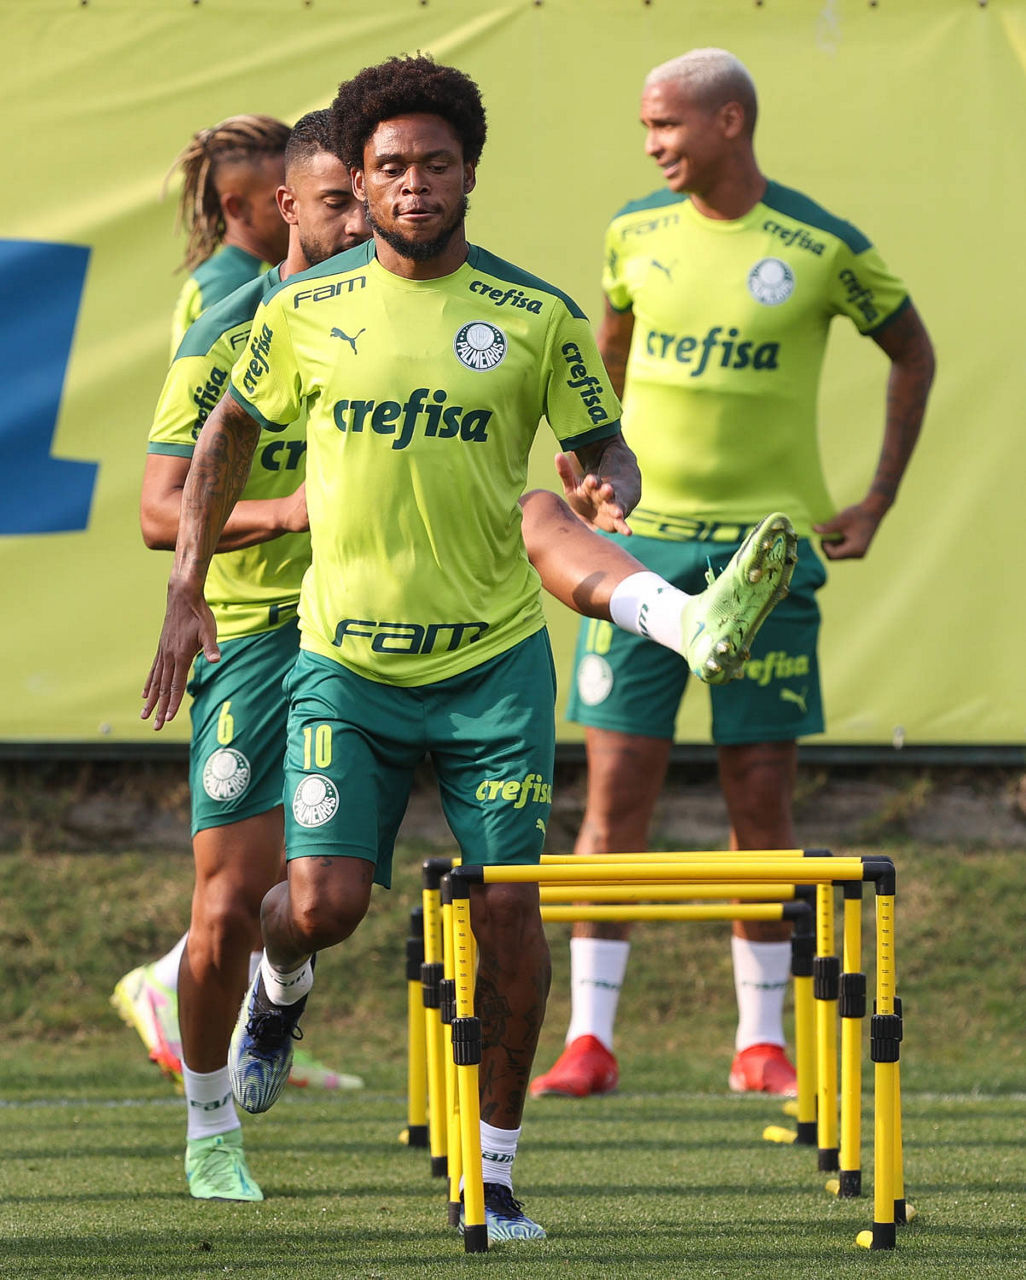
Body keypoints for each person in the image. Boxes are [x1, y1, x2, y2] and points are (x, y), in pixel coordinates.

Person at [140, 55, 795, 1241]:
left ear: (469, 173)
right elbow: (227, 434)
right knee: (321, 903)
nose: (412, 185)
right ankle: (279, 985)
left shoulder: (534, 314)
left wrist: (608, 479)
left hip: (491, 666)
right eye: (390, 166)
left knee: (508, 916)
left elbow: (602, 439)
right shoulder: (298, 311)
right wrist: (188, 587)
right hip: (346, 664)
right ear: (361, 181)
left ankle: (494, 1175)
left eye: (434, 164)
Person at [531, 48, 935, 1102]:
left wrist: (877, 499)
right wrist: (595, 473)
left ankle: (762, 1042)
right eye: (645, 128)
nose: (652, 145)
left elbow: (914, 352)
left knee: (759, 794)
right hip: (640, 555)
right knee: (616, 793)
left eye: (665, 125)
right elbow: (607, 363)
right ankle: (588, 1039)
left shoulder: (822, 244)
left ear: (729, 121)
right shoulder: (633, 233)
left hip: (768, 558)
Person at [119, 110, 373, 1202]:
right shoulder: (229, 324)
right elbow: (157, 509)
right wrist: (285, 511)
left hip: (371, 629)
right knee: (225, 906)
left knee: (322, 901)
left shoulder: (414, 315)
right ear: (285, 206)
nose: (362, 222)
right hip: (260, 630)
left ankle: (286, 979)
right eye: (339, 202)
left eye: (370, 199)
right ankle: (210, 1126)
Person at [165, 114, 292, 356]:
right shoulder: (231, 285)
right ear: (237, 208)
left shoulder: (259, 272)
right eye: (283, 199)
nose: (298, 208)